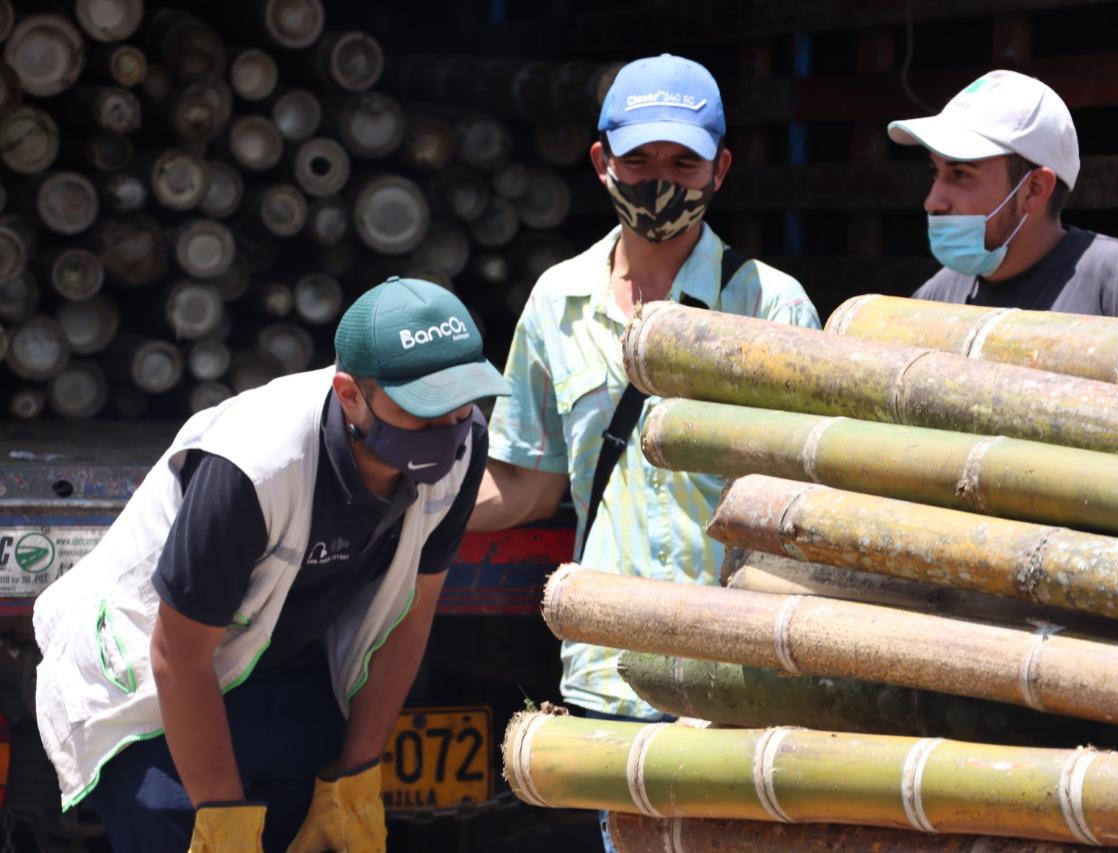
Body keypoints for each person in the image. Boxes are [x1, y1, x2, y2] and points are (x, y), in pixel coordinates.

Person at [466, 53, 820, 850]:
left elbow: (810, 502)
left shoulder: (771, 305)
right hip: (607, 674)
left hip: (735, 675)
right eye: (640, 161)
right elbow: (527, 482)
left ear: (720, 169)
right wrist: (405, 507)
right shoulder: (558, 301)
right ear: (602, 162)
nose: (660, 181)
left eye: (683, 163)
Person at [33, 277, 509, 853]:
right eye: (422, 411)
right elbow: (177, 655)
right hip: (155, 689)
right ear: (350, 395)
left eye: (460, 405)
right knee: (176, 820)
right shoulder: (254, 467)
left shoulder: (463, 446)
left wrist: (354, 777)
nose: (446, 430)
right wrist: (223, 822)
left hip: (282, 667)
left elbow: (411, 616)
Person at [888, 69, 1118, 322]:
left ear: (1034, 190)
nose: (933, 201)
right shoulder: (938, 297)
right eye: (936, 173)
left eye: (961, 174)